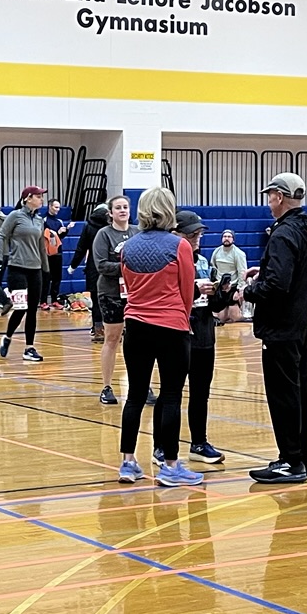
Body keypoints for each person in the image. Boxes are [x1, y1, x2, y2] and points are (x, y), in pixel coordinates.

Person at [113, 188, 200, 488]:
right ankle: (171, 466)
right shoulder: (180, 246)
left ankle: (128, 462)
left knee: (135, 396)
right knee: (172, 395)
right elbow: (187, 290)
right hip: (171, 326)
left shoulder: (127, 247)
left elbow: (128, 286)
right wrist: (182, 319)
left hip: (136, 326)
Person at [244, 173, 307, 485]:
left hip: (281, 326)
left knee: (283, 393)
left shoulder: (282, 234)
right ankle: (305, 456)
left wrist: (249, 290)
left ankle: (290, 461)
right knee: (301, 389)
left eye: (270, 196)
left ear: (278, 196)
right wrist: (265, 270)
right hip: (304, 321)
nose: (268, 202)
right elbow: (300, 272)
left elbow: (278, 285)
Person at [177, 211, 234, 467]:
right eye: (192, 235)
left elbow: (214, 307)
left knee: (200, 394)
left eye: (199, 234)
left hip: (203, 335)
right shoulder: (170, 261)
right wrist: (193, 289)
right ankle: (161, 446)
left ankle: (199, 443)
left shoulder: (202, 262)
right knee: (171, 393)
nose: (196, 239)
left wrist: (223, 292)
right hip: (178, 334)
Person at [0, 186, 50, 364]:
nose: (41, 199)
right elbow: (1, 236)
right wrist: (0, 259)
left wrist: (46, 269)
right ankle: (7, 337)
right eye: (38, 196)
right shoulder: (15, 216)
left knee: (33, 310)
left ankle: (29, 348)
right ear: (27, 198)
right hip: (17, 268)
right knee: (21, 308)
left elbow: (41, 246)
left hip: (35, 269)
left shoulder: (40, 220)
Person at [91, 195, 134, 404]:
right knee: (112, 338)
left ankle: (142, 385)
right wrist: (128, 266)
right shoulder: (104, 234)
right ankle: (106, 386)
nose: (122, 210)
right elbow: (101, 265)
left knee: (138, 340)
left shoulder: (137, 232)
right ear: (110, 212)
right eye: (118, 207)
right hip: (111, 293)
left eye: (125, 207)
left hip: (135, 293)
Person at [73, 202, 110, 341]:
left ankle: (98, 329)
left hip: (93, 267)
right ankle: (116, 328)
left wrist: (73, 265)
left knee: (96, 300)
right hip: (111, 267)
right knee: (114, 300)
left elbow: (81, 248)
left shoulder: (89, 226)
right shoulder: (112, 227)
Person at [210, 229, 248, 321]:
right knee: (220, 317)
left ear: (233, 239)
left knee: (234, 317)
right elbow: (213, 266)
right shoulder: (216, 251)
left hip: (233, 287)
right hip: (220, 287)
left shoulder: (239, 253)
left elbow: (242, 272)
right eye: (224, 236)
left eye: (229, 236)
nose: (226, 238)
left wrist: (239, 290)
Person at [43, 198, 68, 307]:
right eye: (56, 207)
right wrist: (57, 232)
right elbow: (45, 236)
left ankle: (54, 300)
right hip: (47, 253)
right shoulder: (43, 220)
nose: (58, 209)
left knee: (57, 278)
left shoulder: (59, 221)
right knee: (46, 278)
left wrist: (66, 230)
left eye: (59, 207)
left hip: (57, 252)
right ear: (50, 206)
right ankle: (43, 301)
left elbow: (60, 238)